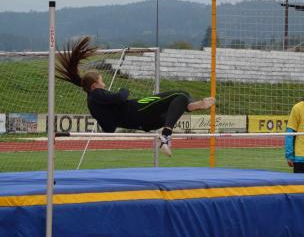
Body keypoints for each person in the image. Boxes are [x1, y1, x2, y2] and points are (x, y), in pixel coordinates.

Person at [56, 36, 215, 156]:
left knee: (179, 102)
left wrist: (110, 114)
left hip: (143, 123)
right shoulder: (96, 94)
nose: (104, 84)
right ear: (95, 85)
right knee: (181, 94)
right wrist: (124, 89)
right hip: (138, 108)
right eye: (102, 81)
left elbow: (109, 128)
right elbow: (121, 98)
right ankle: (166, 136)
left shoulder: (93, 103)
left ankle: (188, 108)